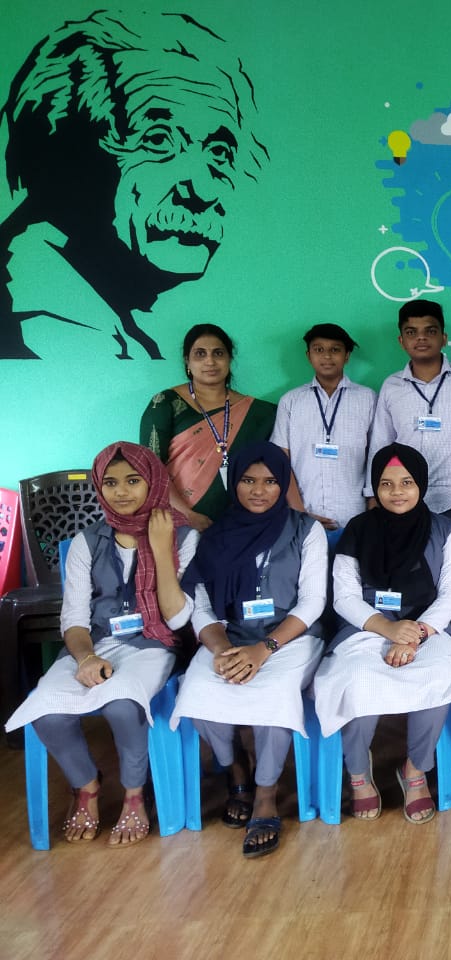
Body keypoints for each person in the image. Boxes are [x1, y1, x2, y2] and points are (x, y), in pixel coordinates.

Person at [0, 11, 267, 359]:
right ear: (64, 161)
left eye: (219, 151)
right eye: (157, 140)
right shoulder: (34, 315)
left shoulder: (133, 323)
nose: (204, 192)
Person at [4, 442, 196, 845]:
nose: (121, 491)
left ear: (153, 482)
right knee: (46, 711)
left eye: (133, 480)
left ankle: (134, 793)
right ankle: (87, 785)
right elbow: (73, 620)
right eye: (110, 482)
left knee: (122, 705)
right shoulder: (86, 542)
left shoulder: (183, 536)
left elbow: (178, 619)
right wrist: (86, 658)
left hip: (154, 642)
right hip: (95, 642)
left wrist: (162, 549)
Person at [170, 442, 326, 858]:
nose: (259, 490)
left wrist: (265, 648)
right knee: (198, 691)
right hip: (230, 636)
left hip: (290, 639)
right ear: (233, 482)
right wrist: (222, 649)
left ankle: (265, 794)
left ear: (284, 484)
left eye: (271, 481)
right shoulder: (213, 537)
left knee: (275, 692)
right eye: (248, 480)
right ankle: (236, 767)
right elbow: (201, 605)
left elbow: (313, 602)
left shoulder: (305, 530)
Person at [312, 444, 451, 822]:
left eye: (406, 482)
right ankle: (357, 770)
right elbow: (345, 597)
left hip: (428, 627)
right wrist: (388, 628)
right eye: (386, 483)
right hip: (366, 627)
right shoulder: (358, 529)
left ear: (422, 485)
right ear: (375, 486)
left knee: (438, 676)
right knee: (356, 680)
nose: (397, 492)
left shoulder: (446, 531)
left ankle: (415, 769)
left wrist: (414, 634)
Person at [141, 323, 279, 531]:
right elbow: (151, 467)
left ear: (229, 359)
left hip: (241, 524)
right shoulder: (164, 403)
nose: (210, 361)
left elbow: (275, 468)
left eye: (218, 353)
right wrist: (187, 515)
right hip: (175, 523)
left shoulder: (260, 413)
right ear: (187, 361)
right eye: (200, 354)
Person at [367, 300, 451, 531]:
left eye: (430, 331)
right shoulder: (391, 386)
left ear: (444, 338)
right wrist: (373, 494)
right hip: (403, 498)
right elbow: (380, 444)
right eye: (411, 332)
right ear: (401, 341)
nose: (421, 338)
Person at [271, 323, 375, 531]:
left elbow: (377, 455)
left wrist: (373, 510)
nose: (327, 356)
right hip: (304, 514)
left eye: (335, 349)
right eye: (319, 350)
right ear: (308, 356)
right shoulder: (291, 401)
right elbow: (280, 460)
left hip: (355, 515)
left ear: (347, 356)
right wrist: (299, 511)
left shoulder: (368, 398)